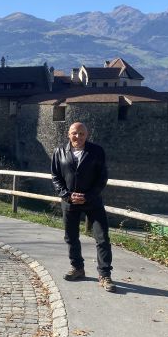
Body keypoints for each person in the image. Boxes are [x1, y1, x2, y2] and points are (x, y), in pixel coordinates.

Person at [51, 122, 115, 292]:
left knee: (102, 238)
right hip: (69, 202)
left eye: (81, 134)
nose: (77, 137)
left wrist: (88, 196)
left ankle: (105, 274)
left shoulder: (97, 151)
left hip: (92, 202)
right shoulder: (59, 152)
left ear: (87, 135)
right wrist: (67, 195)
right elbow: (56, 176)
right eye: (74, 133)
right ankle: (77, 268)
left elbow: (102, 178)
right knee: (71, 237)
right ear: (68, 134)